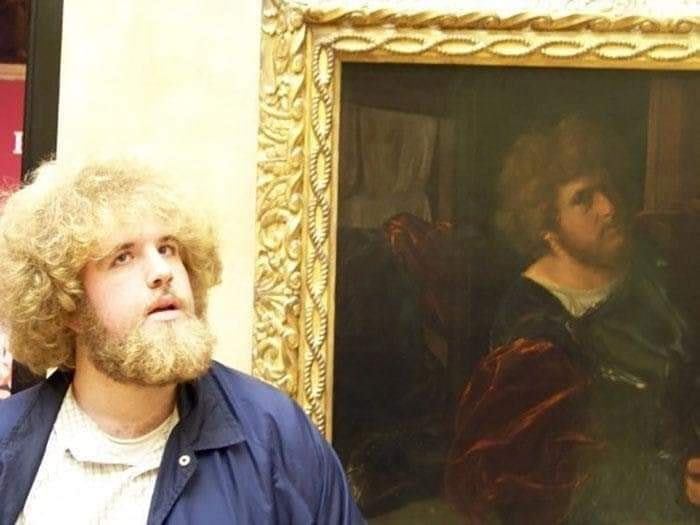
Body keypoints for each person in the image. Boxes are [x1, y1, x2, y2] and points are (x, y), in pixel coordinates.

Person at [0, 159, 364, 524]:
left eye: (168, 248)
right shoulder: (8, 444)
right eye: (123, 257)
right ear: (68, 305)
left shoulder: (275, 437)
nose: (162, 272)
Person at [445, 116, 698, 524]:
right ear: (548, 226)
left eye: (607, 188)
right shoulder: (531, 328)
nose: (609, 207)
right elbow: (550, 476)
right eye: (584, 198)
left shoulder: (650, 268)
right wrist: (674, 478)